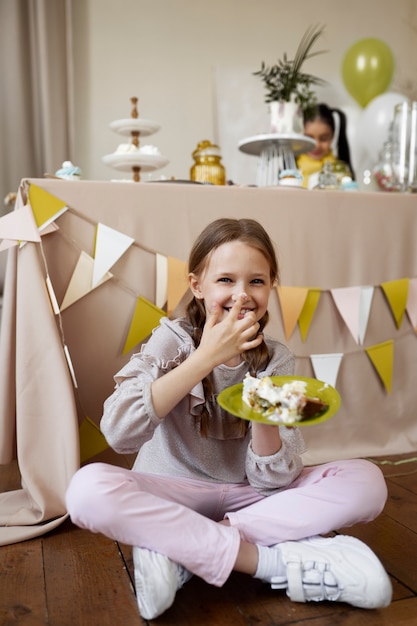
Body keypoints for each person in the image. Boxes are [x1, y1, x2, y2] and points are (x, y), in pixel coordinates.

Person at [66, 218, 392, 620]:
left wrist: (263, 411)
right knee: (86, 491)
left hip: (248, 497)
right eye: (225, 280)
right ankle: (270, 563)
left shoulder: (276, 358)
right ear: (197, 286)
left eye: (256, 281)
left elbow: (270, 480)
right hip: (170, 490)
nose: (242, 294)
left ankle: (179, 548)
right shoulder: (173, 339)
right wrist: (204, 359)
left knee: (367, 481)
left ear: (272, 285)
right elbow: (119, 432)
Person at [297, 103, 355, 188]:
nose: (316, 145)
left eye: (323, 139)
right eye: (309, 138)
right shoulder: (292, 169)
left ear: (333, 137)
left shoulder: (340, 172)